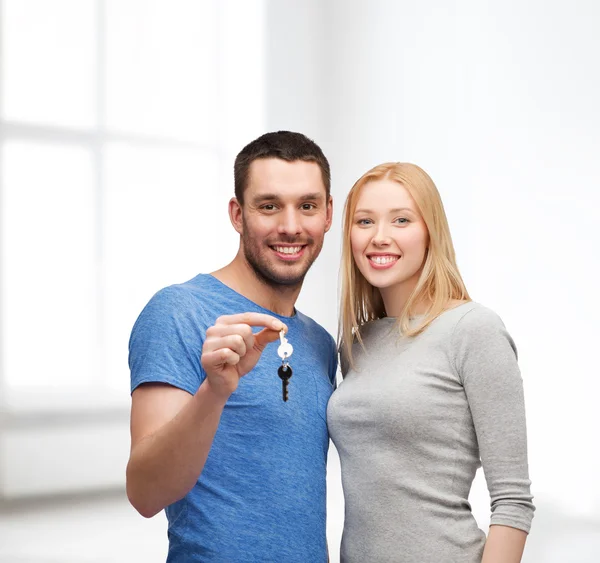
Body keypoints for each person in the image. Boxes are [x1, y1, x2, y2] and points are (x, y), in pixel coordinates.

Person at [126, 131, 337, 562]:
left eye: (307, 206)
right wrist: (216, 390)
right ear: (238, 215)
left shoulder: (321, 343)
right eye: (269, 206)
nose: (291, 226)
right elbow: (145, 493)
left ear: (328, 214)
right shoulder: (179, 311)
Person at [327, 162, 534, 562]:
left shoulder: (474, 329)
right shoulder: (357, 344)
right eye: (364, 221)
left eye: (401, 220)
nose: (379, 237)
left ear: (430, 232)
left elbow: (513, 500)